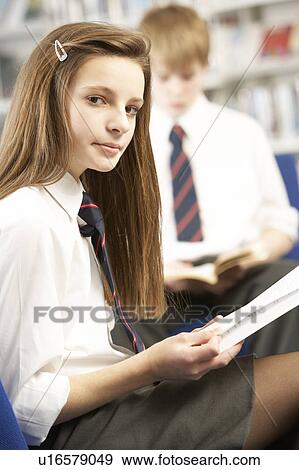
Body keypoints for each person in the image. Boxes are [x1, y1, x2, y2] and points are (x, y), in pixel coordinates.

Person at [0, 21, 299, 452]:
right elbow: (25, 408)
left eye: (132, 108)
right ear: (47, 100)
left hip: (121, 399)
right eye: (97, 100)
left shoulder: (73, 206)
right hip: (92, 429)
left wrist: (156, 365)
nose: (121, 124)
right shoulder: (29, 220)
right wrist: (150, 366)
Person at [138, 5, 299, 357]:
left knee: (289, 285)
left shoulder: (244, 131)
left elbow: (282, 222)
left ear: (205, 66)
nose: (176, 89)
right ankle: (153, 405)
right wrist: (155, 272)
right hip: (159, 278)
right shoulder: (126, 140)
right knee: (122, 309)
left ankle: (274, 397)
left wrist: (253, 256)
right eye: (163, 78)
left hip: (238, 272)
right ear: (145, 72)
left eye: (187, 75)